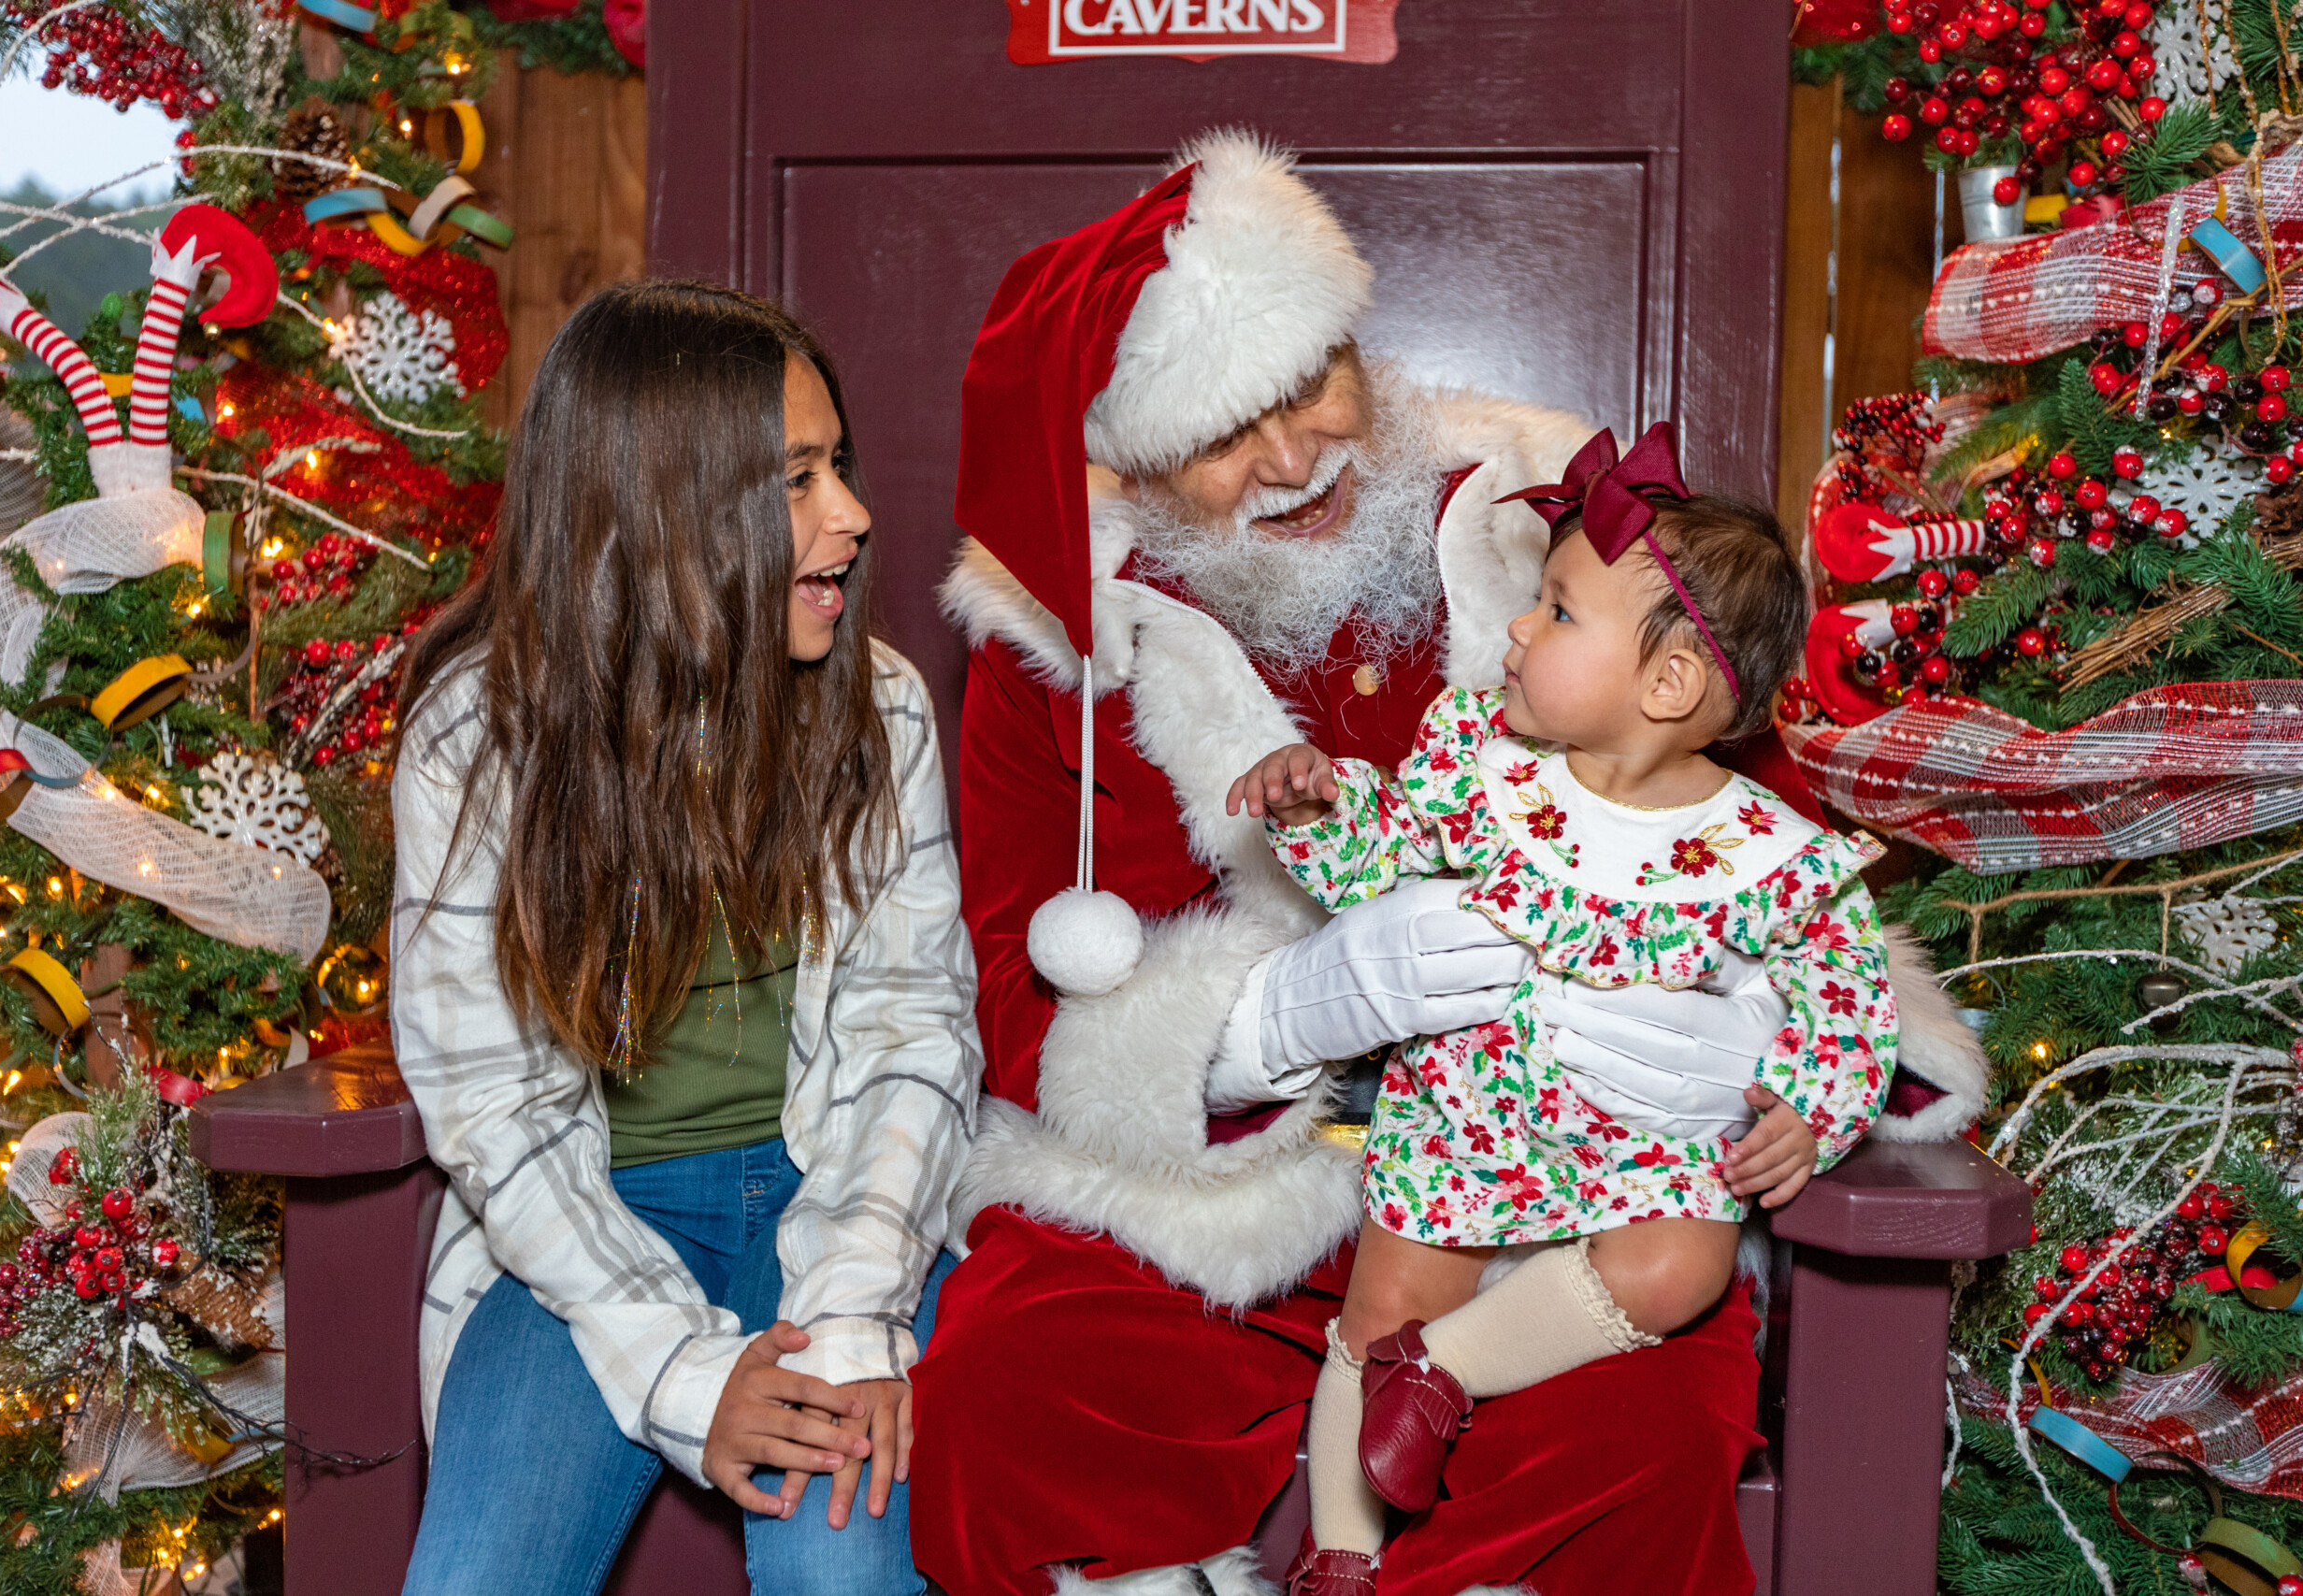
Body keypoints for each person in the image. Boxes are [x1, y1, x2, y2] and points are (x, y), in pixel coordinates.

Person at [913, 131, 1988, 1596]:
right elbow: (1017, 995)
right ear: (1136, 466)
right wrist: (1278, 1018)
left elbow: (1763, 833)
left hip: (1567, 1184)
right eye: (1223, 435)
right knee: (1009, 1394)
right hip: (1219, 1205)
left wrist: (1751, 1041)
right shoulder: (1060, 642)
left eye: (1310, 384)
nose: (1293, 458)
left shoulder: (1560, 523)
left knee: (1641, 1440)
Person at [1229, 426, 1899, 1591]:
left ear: (1668, 684)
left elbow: (1847, 1008)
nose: (1516, 630)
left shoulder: (1765, 851)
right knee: (1376, 1306)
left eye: (1555, 611)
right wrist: (1317, 808)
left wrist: (1805, 1110)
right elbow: (1376, 867)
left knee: (1683, 1266)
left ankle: (1441, 1370)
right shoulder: (1482, 764)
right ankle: (1340, 1554)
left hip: (1640, 1148)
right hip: (1464, 1120)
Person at [387, 281, 980, 1596]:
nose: (852, 514)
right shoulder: (475, 739)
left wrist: (854, 1310)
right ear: (660, 512)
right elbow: (491, 1102)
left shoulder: (880, 707)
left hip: (837, 1198)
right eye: (795, 479)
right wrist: (683, 1372)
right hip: (585, 1225)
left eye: (838, 465)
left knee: (844, 1573)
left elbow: (915, 1031)